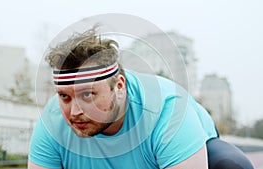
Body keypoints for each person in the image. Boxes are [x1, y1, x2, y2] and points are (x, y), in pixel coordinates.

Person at [28, 27, 254, 169]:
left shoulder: (168, 111)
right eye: (65, 97)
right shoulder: (52, 121)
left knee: (231, 164)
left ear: (118, 86)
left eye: (87, 95)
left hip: (195, 146)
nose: (74, 111)